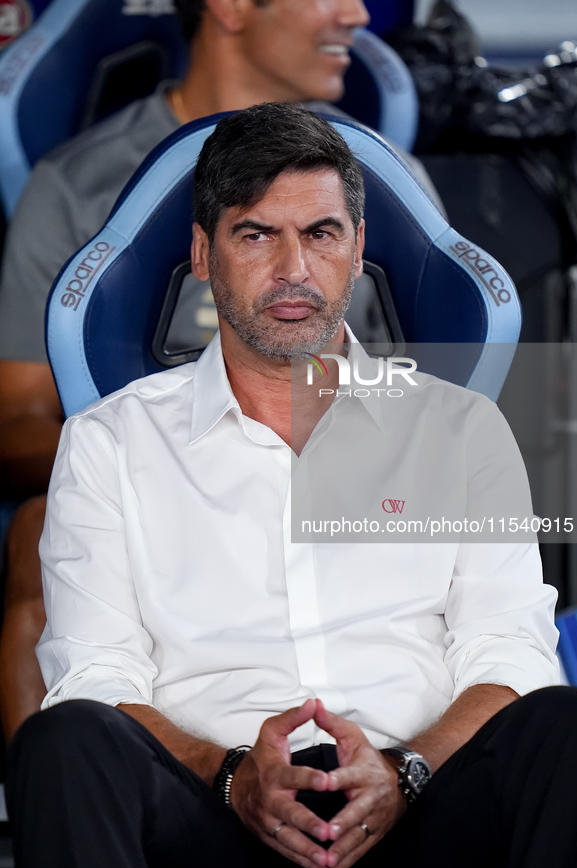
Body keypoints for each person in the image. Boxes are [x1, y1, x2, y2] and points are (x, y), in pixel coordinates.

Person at [8, 102, 577, 868]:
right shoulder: (112, 440)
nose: (293, 269)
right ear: (203, 255)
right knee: (66, 738)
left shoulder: (459, 428)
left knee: (566, 727)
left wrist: (404, 769)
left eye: (320, 234)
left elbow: (510, 653)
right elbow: (95, 674)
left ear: (356, 253)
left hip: (416, 812)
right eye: (256, 234)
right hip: (209, 817)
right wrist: (232, 773)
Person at [0, 0, 442, 741]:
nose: (357, 14)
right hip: (143, 502)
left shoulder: (388, 186)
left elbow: (445, 413)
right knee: (41, 531)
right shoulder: (76, 183)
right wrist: (168, 466)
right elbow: (15, 421)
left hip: (345, 486)